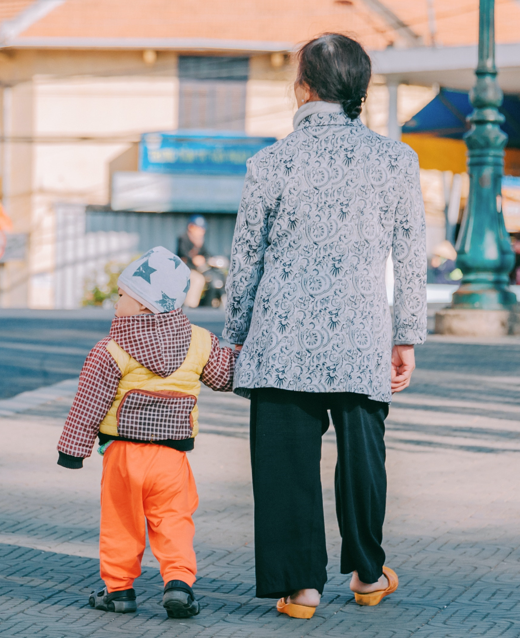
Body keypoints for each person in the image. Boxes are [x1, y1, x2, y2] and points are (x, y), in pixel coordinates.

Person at [224, 34, 427, 620]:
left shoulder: (270, 162)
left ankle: (300, 589)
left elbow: (247, 261)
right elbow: (411, 256)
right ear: (359, 89)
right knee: (364, 459)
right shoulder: (396, 160)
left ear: (304, 87)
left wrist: (235, 336)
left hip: (280, 341)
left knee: (285, 463)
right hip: (361, 338)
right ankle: (367, 573)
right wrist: (405, 336)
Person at [56, 246, 236, 619]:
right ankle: (179, 584)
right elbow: (224, 377)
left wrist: (73, 450)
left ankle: (119, 589)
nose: (116, 301)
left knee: (121, 521)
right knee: (174, 519)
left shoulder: (111, 349)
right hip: (171, 459)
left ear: (143, 305)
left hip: (124, 456)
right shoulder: (200, 342)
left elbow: (88, 403)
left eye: (122, 295)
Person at [177, 215, 209, 308]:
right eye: (199, 228)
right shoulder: (183, 238)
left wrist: (206, 259)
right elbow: (182, 252)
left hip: (197, 269)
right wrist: (194, 259)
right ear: (191, 227)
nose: (201, 231)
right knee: (198, 279)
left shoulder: (200, 241)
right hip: (185, 268)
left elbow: (206, 253)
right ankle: (190, 306)